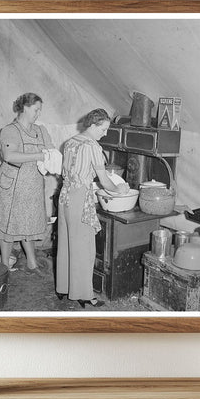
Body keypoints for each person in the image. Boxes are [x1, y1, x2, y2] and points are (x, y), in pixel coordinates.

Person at [56, 108, 129, 308]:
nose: (105, 133)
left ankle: (64, 287)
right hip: (80, 199)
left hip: (65, 196)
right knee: (84, 248)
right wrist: (120, 190)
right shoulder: (92, 146)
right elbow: (105, 181)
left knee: (66, 243)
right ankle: (83, 294)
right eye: (103, 129)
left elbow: (70, 173)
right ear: (93, 125)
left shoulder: (70, 142)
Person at [0, 92, 54, 275]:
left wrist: (53, 159)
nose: (38, 114)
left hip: (32, 183)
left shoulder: (40, 130)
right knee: (8, 226)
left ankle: (31, 263)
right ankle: (4, 267)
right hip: (12, 183)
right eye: (35, 109)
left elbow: (51, 151)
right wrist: (40, 156)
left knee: (29, 223)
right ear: (24, 108)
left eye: (40, 110)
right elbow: (9, 156)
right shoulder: (9, 130)